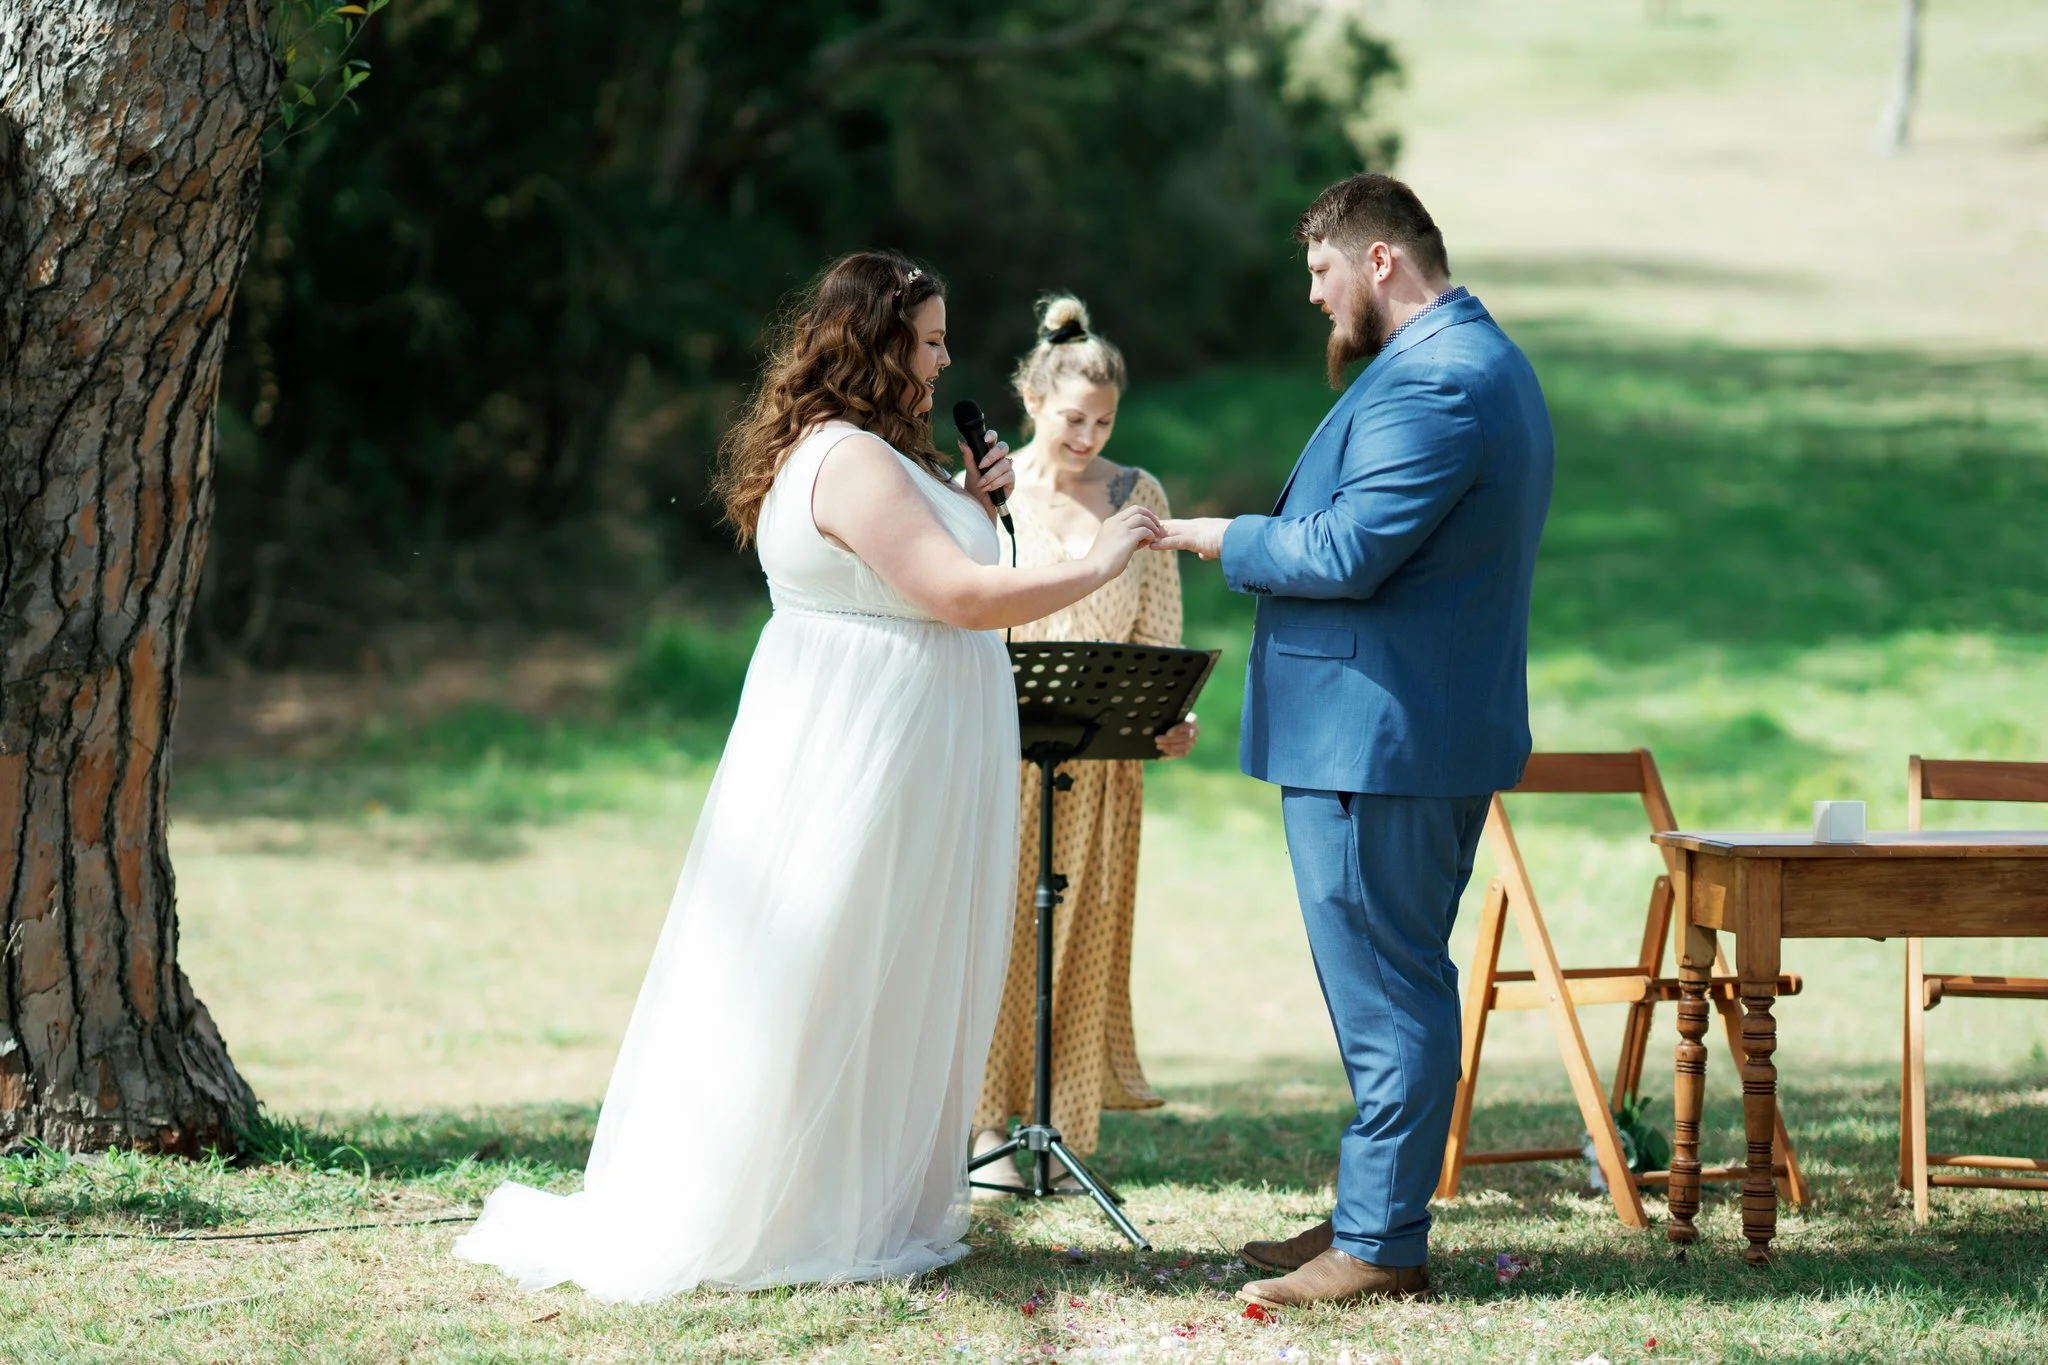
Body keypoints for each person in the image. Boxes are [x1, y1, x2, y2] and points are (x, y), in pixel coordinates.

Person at [453, 251, 1162, 1301]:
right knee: (838, 965)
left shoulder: (877, 457)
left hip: (895, 741)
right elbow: (959, 599)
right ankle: (798, 1208)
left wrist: (968, 501)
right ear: (876, 345)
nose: (946, 357)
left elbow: (925, 579)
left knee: (884, 970)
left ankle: (856, 1193)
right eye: (927, 340)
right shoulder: (853, 460)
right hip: (870, 754)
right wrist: (1101, 559)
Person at [1155, 174, 1554, 1306]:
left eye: (1322, 273)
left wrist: (1218, 535)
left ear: (1379, 259)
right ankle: (1369, 1212)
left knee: (1388, 992)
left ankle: (1379, 1246)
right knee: (1393, 982)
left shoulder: (1441, 380)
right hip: (1399, 736)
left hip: (1376, 746)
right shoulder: (1470, 365)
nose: (1317, 299)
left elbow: (1342, 554)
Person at [970, 297, 1198, 1192]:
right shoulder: (988, 494)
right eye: (1074, 418)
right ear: (1033, 400)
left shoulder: (1137, 496)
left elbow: (1159, 633)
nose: (1089, 435)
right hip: (998, 755)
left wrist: (1166, 716)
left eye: (1104, 421)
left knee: (1080, 939)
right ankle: (988, 1127)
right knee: (994, 935)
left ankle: (1061, 1132)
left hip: (1098, 766)